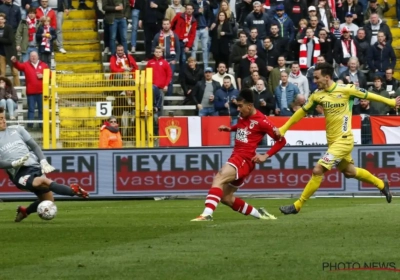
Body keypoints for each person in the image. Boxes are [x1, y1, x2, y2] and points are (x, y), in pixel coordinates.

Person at [278, 62, 400, 215]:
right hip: (333, 142)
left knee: (317, 170)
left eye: (317, 78)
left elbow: (369, 94)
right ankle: (382, 184)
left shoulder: (346, 90)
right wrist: (284, 128)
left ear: (327, 77)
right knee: (349, 172)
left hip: (344, 139)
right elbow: (301, 112)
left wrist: (390, 101)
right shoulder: (317, 95)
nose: (314, 81)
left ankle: (297, 205)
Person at [191, 89, 287, 222]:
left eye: (241, 106)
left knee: (219, 177)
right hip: (238, 157)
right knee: (226, 198)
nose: (238, 109)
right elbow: (244, 126)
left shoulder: (262, 121)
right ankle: (260, 214)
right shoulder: (244, 116)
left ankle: (206, 214)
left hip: (244, 159)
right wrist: (231, 128)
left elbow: (282, 141)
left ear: (250, 106)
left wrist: (266, 155)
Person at [0, 107, 89, 222]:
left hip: (34, 166)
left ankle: (24, 211)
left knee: (48, 202)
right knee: (42, 181)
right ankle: (73, 191)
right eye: (0, 119)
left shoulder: (17, 129)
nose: (4, 121)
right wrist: (13, 164)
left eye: (4, 118)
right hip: (19, 174)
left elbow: (34, 146)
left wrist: (43, 160)